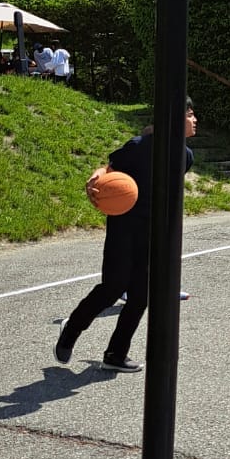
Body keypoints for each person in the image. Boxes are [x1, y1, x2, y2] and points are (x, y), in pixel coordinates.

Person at [55, 100, 197, 372]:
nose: (195, 119)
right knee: (111, 288)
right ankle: (71, 329)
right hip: (124, 227)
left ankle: (115, 354)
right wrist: (96, 178)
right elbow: (109, 169)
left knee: (141, 297)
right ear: (173, 118)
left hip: (152, 232)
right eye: (189, 114)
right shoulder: (138, 147)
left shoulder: (185, 156)